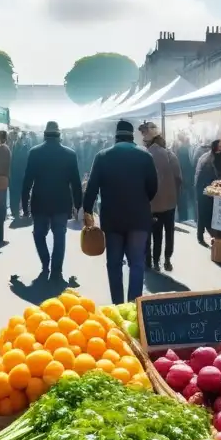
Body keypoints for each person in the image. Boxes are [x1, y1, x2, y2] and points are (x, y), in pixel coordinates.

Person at [83, 120, 158, 304]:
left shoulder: (102, 156)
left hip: (112, 219)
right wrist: (140, 201)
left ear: (115, 136)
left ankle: (117, 305)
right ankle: (133, 306)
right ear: (132, 136)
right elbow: (153, 187)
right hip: (139, 218)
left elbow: (91, 187)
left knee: (114, 264)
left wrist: (87, 211)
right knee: (137, 264)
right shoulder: (145, 156)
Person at [22, 122, 82, 280]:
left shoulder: (34, 152)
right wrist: (79, 206)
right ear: (59, 135)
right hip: (62, 203)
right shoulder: (70, 154)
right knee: (59, 236)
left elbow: (27, 180)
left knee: (39, 234)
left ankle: (45, 262)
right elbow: (75, 183)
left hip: (40, 202)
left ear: (44, 134)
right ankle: (56, 269)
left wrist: (24, 204)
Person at [145, 134, 182, 272]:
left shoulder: (146, 155)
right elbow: (178, 178)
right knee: (169, 232)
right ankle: (167, 258)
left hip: (152, 203)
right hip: (170, 203)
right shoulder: (171, 156)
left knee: (156, 233)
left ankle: (155, 261)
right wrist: (175, 195)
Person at [194, 140, 221, 245]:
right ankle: (209, 237)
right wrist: (219, 183)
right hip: (204, 188)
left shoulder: (209, 156)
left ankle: (201, 236)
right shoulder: (208, 160)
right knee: (205, 213)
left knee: (202, 212)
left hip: (203, 188)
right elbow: (210, 177)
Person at [9, 130, 31, 218]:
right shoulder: (14, 147)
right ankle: (16, 211)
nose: (20, 140)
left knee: (24, 193)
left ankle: (24, 210)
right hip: (16, 174)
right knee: (17, 194)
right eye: (19, 138)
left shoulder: (25, 148)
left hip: (22, 174)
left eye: (21, 138)